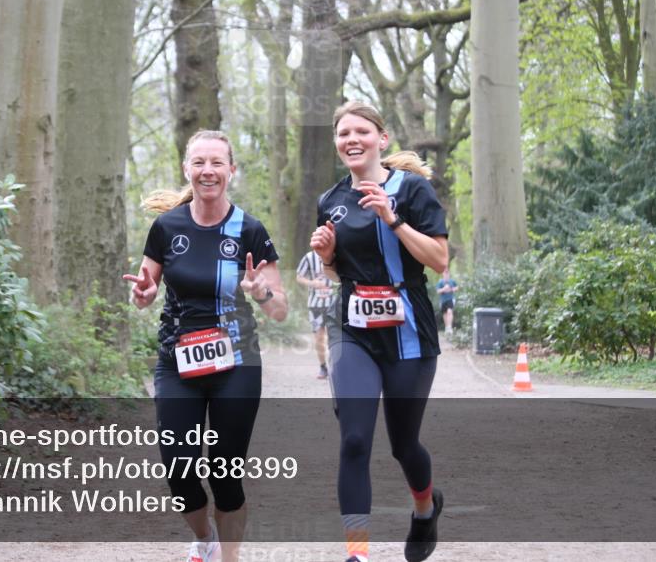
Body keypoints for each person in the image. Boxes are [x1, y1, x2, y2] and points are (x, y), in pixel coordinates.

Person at [123, 130, 287, 562]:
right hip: (178, 361)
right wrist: (140, 296)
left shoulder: (250, 231)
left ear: (231, 170)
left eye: (217, 162)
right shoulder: (167, 226)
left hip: (237, 363)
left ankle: (229, 558)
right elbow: (145, 289)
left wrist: (260, 293)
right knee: (178, 468)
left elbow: (280, 310)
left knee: (224, 471)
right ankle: (204, 538)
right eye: (199, 162)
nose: (207, 171)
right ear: (186, 170)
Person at [310, 100, 448, 562]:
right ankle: (357, 554)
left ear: (381, 139)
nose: (352, 139)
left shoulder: (412, 190)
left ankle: (425, 509)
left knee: (403, 444)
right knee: (353, 439)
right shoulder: (330, 201)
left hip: (410, 332)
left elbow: (439, 259)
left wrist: (394, 218)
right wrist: (328, 256)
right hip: (354, 333)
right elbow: (335, 275)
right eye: (343, 133)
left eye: (361, 132)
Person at [296, 250, 337, 379]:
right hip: (315, 305)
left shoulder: (336, 253)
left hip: (334, 304)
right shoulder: (309, 257)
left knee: (335, 337)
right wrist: (312, 283)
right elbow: (299, 277)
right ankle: (323, 367)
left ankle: (335, 367)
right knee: (319, 338)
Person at [436, 269, 458, 337]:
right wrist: (444, 289)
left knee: (449, 311)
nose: (446, 275)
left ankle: (449, 327)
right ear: (443, 274)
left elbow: (456, 287)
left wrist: (452, 289)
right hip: (443, 300)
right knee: (445, 314)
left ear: (449, 274)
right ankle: (447, 328)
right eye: (445, 273)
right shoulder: (440, 282)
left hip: (450, 299)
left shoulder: (452, 281)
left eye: (447, 273)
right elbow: (438, 291)